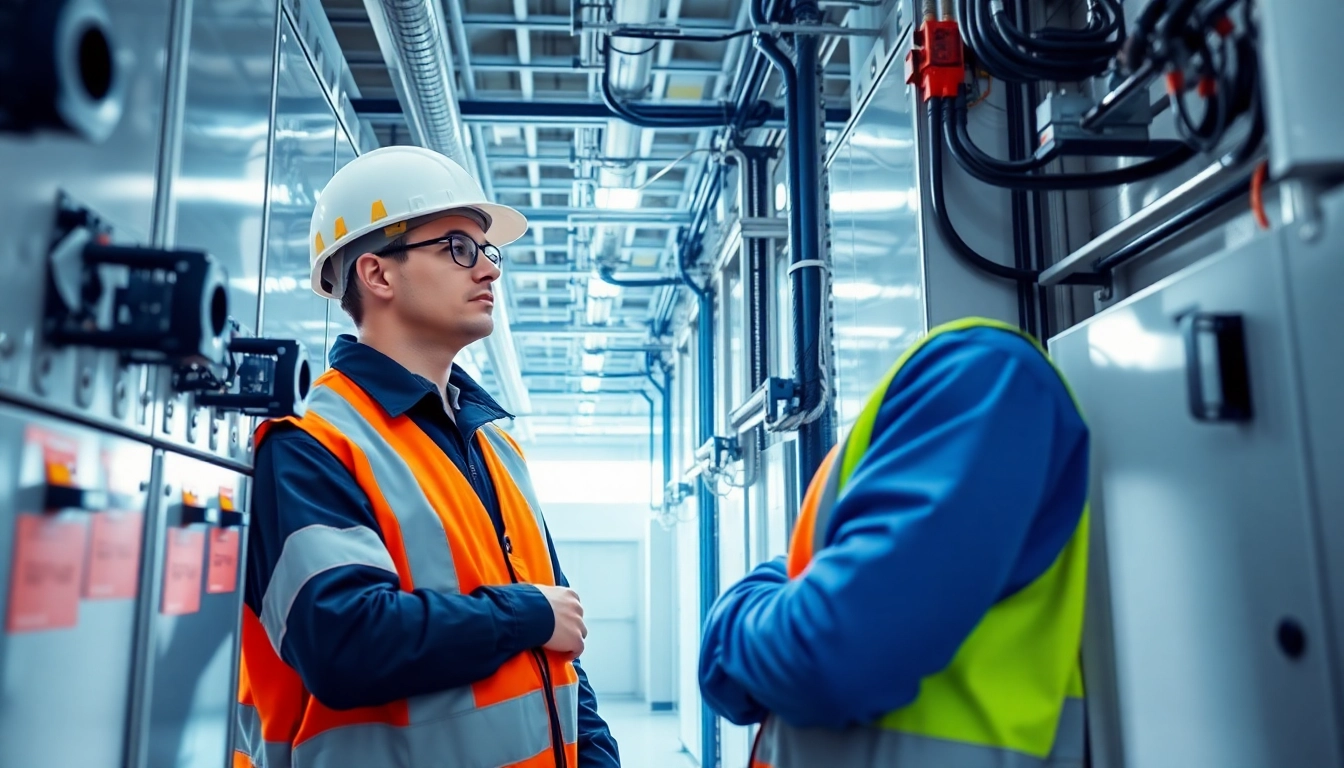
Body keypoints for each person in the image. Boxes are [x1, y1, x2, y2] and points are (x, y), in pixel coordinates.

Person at [233, 145, 619, 768]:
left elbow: (562, 641)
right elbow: (345, 641)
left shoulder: (495, 444)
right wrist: (524, 614)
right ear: (377, 274)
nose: (489, 271)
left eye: (488, 252)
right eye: (458, 248)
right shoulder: (309, 438)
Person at [698, 317, 1091, 767]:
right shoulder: (942, 395)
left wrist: (736, 611)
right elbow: (732, 685)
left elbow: (825, 654)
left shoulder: (983, 374)